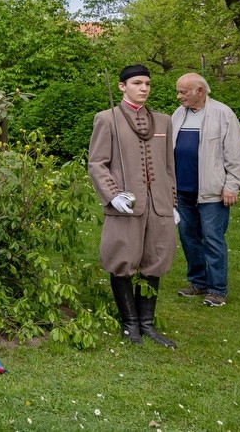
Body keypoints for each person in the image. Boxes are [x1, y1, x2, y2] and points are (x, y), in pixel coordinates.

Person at [87, 64, 177, 347]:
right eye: (137, 83)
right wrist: (113, 195)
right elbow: (97, 163)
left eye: (147, 83)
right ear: (122, 86)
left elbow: (169, 167)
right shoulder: (107, 119)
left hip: (159, 204)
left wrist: (172, 201)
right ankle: (130, 325)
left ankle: (147, 324)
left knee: (156, 259)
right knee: (122, 258)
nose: (144, 88)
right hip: (126, 203)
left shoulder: (163, 121)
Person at [171, 73, 240, 308]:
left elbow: (235, 154)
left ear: (200, 91)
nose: (179, 96)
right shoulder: (178, 114)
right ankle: (198, 282)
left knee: (212, 240)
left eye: (183, 91)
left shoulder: (223, 114)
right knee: (188, 238)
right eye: (178, 91)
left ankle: (217, 290)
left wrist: (232, 185)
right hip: (183, 190)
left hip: (212, 191)